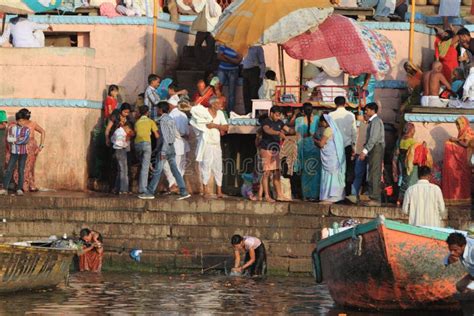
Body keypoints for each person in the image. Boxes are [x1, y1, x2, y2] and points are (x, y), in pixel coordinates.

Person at [139, 102, 191, 200]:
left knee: (158, 171)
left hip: (166, 149)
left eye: (158, 109)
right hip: (171, 148)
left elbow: (166, 137)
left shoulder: (163, 120)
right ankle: (183, 191)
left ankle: (150, 192)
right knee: (175, 170)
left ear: (161, 110)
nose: (156, 111)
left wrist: (162, 151)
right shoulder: (169, 119)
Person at [190, 97, 228, 198]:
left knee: (218, 166)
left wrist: (215, 126)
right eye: (219, 103)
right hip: (206, 143)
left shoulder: (220, 114)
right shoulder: (204, 112)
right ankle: (205, 190)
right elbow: (196, 119)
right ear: (213, 104)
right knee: (205, 165)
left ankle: (219, 191)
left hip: (216, 143)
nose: (221, 105)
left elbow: (226, 127)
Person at [259, 106, 295, 202]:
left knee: (277, 173)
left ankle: (280, 195)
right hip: (266, 149)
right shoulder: (266, 122)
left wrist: (294, 131)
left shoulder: (279, 122)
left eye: (279, 115)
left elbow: (288, 129)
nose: (278, 117)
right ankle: (266, 195)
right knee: (266, 173)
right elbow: (267, 130)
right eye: (277, 115)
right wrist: (278, 133)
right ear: (271, 113)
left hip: (276, 150)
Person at [178, 0, 222, 71]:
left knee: (198, 45)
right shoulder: (217, 6)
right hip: (212, 29)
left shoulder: (205, 2)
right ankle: (207, 63)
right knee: (210, 47)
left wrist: (191, 4)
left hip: (203, 28)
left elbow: (197, 10)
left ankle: (200, 62)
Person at [314, 114, 346, 204]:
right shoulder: (335, 129)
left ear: (324, 122)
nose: (320, 124)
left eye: (321, 122)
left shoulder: (328, 130)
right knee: (334, 176)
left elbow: (321, 144)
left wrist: (314, 140)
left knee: (329, 176)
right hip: (334, 157)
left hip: (330, 158)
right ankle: (337, 196)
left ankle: (329, 197)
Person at [442, 116, 474, 205]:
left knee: (448, 144)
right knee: (448, 143)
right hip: (462, 155)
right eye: (457, 125)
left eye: (460, 125)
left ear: (464, 123)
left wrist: (455, 140)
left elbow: (466, 144)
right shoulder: (461, 133)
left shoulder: (468, 131)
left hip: (467, 156)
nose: (459, 127)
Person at [162, 95, 190, 194]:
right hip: (184, 143)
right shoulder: (184, 115)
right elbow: (187, 131)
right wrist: (184, 135)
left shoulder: (170, 116)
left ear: (170, 105)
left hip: (174, 143)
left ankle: (173, 185)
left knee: (168, 164)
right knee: (181, 165)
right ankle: (177, 185)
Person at [329, 96, 356, 195]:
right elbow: (354, 132)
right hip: (347, 145)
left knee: (335, 169)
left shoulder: (331, 115)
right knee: (347, 169)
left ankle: (335, 192)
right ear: (345, 103)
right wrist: (354, 147)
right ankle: (347, 193)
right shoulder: (351, 115)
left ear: (335, 104)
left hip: (334, 146)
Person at [359, 102, 385, 206]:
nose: (365, 112)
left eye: (367, 110)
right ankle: (373, 196)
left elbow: (373, 138)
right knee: (372, 172)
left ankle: (375, 198)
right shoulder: (373, 121)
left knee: (374, 173)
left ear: (372, 110)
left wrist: (365, 151)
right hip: (374, 148)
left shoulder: (376, 121)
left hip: (376, 148)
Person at [294, 103, 321, 201]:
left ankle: (305, 195)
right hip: (315, 148)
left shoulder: (298, 120)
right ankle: (315, 195)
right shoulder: (317, 119)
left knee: (305, 172)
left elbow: (297, 135)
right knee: (316, 172)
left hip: (303, 148)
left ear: (302, 111)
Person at [0, 111, 30, 196]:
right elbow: (9, 139)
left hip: (23, 153)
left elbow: (26, 140)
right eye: (20, 121)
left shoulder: (27, 129)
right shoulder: (12, 128)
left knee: (21, 170)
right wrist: (19, 139)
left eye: (23, 120)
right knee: (9, 169)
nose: (22, 122)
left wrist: (15, 140)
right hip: (14, 152)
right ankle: (4, 188)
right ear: (17, 121)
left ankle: (19, 188)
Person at [134, 105, 159, 194]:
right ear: (147, 112)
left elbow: (136, 133)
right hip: (147, 144)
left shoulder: (137, 122)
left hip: (137, 144)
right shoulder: (151, 121)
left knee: (142, 161)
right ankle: (143, 189)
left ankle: (149, 164)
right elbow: (156, 135)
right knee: (145, 167)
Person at [110, 105, 135, 194]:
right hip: (121, 150)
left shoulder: (118, 131)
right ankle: (123, 189)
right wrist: (128, 136)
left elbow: (113, 139)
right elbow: (130, 135)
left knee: (120, 169)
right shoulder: (120, 131)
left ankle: (116, 188)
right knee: (124, 170)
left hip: (118, 150)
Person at [346, 113, 368, 204]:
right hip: (359, 153)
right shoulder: (360, 125)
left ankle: (364, 195)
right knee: (357, 175)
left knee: (367, 176)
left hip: (367, 153)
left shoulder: (374, 124)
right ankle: (354, 194)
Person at [217, 45, 242, 113]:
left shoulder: (239, 47)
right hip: (222, 69)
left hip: (233, 71)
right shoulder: (223, 45)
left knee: (232, 93)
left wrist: (225, 56)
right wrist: (232, 60)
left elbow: (238, 61)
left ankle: (230, 112)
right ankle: (217, 109)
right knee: (218, 89)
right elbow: (219, 56)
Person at [242, 46, 266, 114]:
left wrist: (261, 75)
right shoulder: (244, 47)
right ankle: (247, 112)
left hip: (254, 70)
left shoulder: (258, 48)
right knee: (245, 93)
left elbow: (262, 62)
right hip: (245, 71)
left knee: (254, 93)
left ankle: (255, 112)